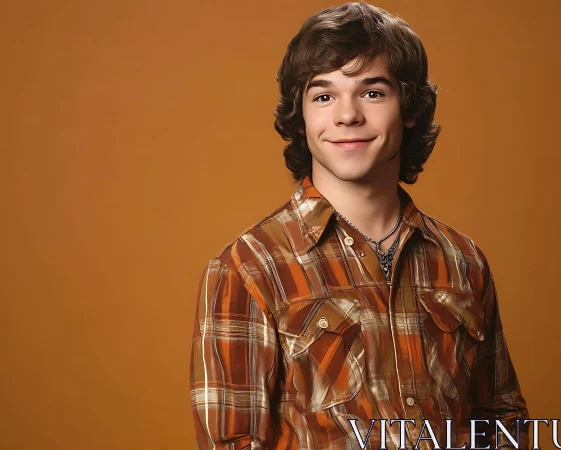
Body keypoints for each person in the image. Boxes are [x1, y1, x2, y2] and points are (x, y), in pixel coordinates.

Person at [189, 2, 530, 449]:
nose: (347, 115)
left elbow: (502, 420)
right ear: (302, 116)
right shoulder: (249, 268)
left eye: (372, 92)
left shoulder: (463, 261)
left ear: (408, 108)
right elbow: (231, 443)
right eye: (324, 95)